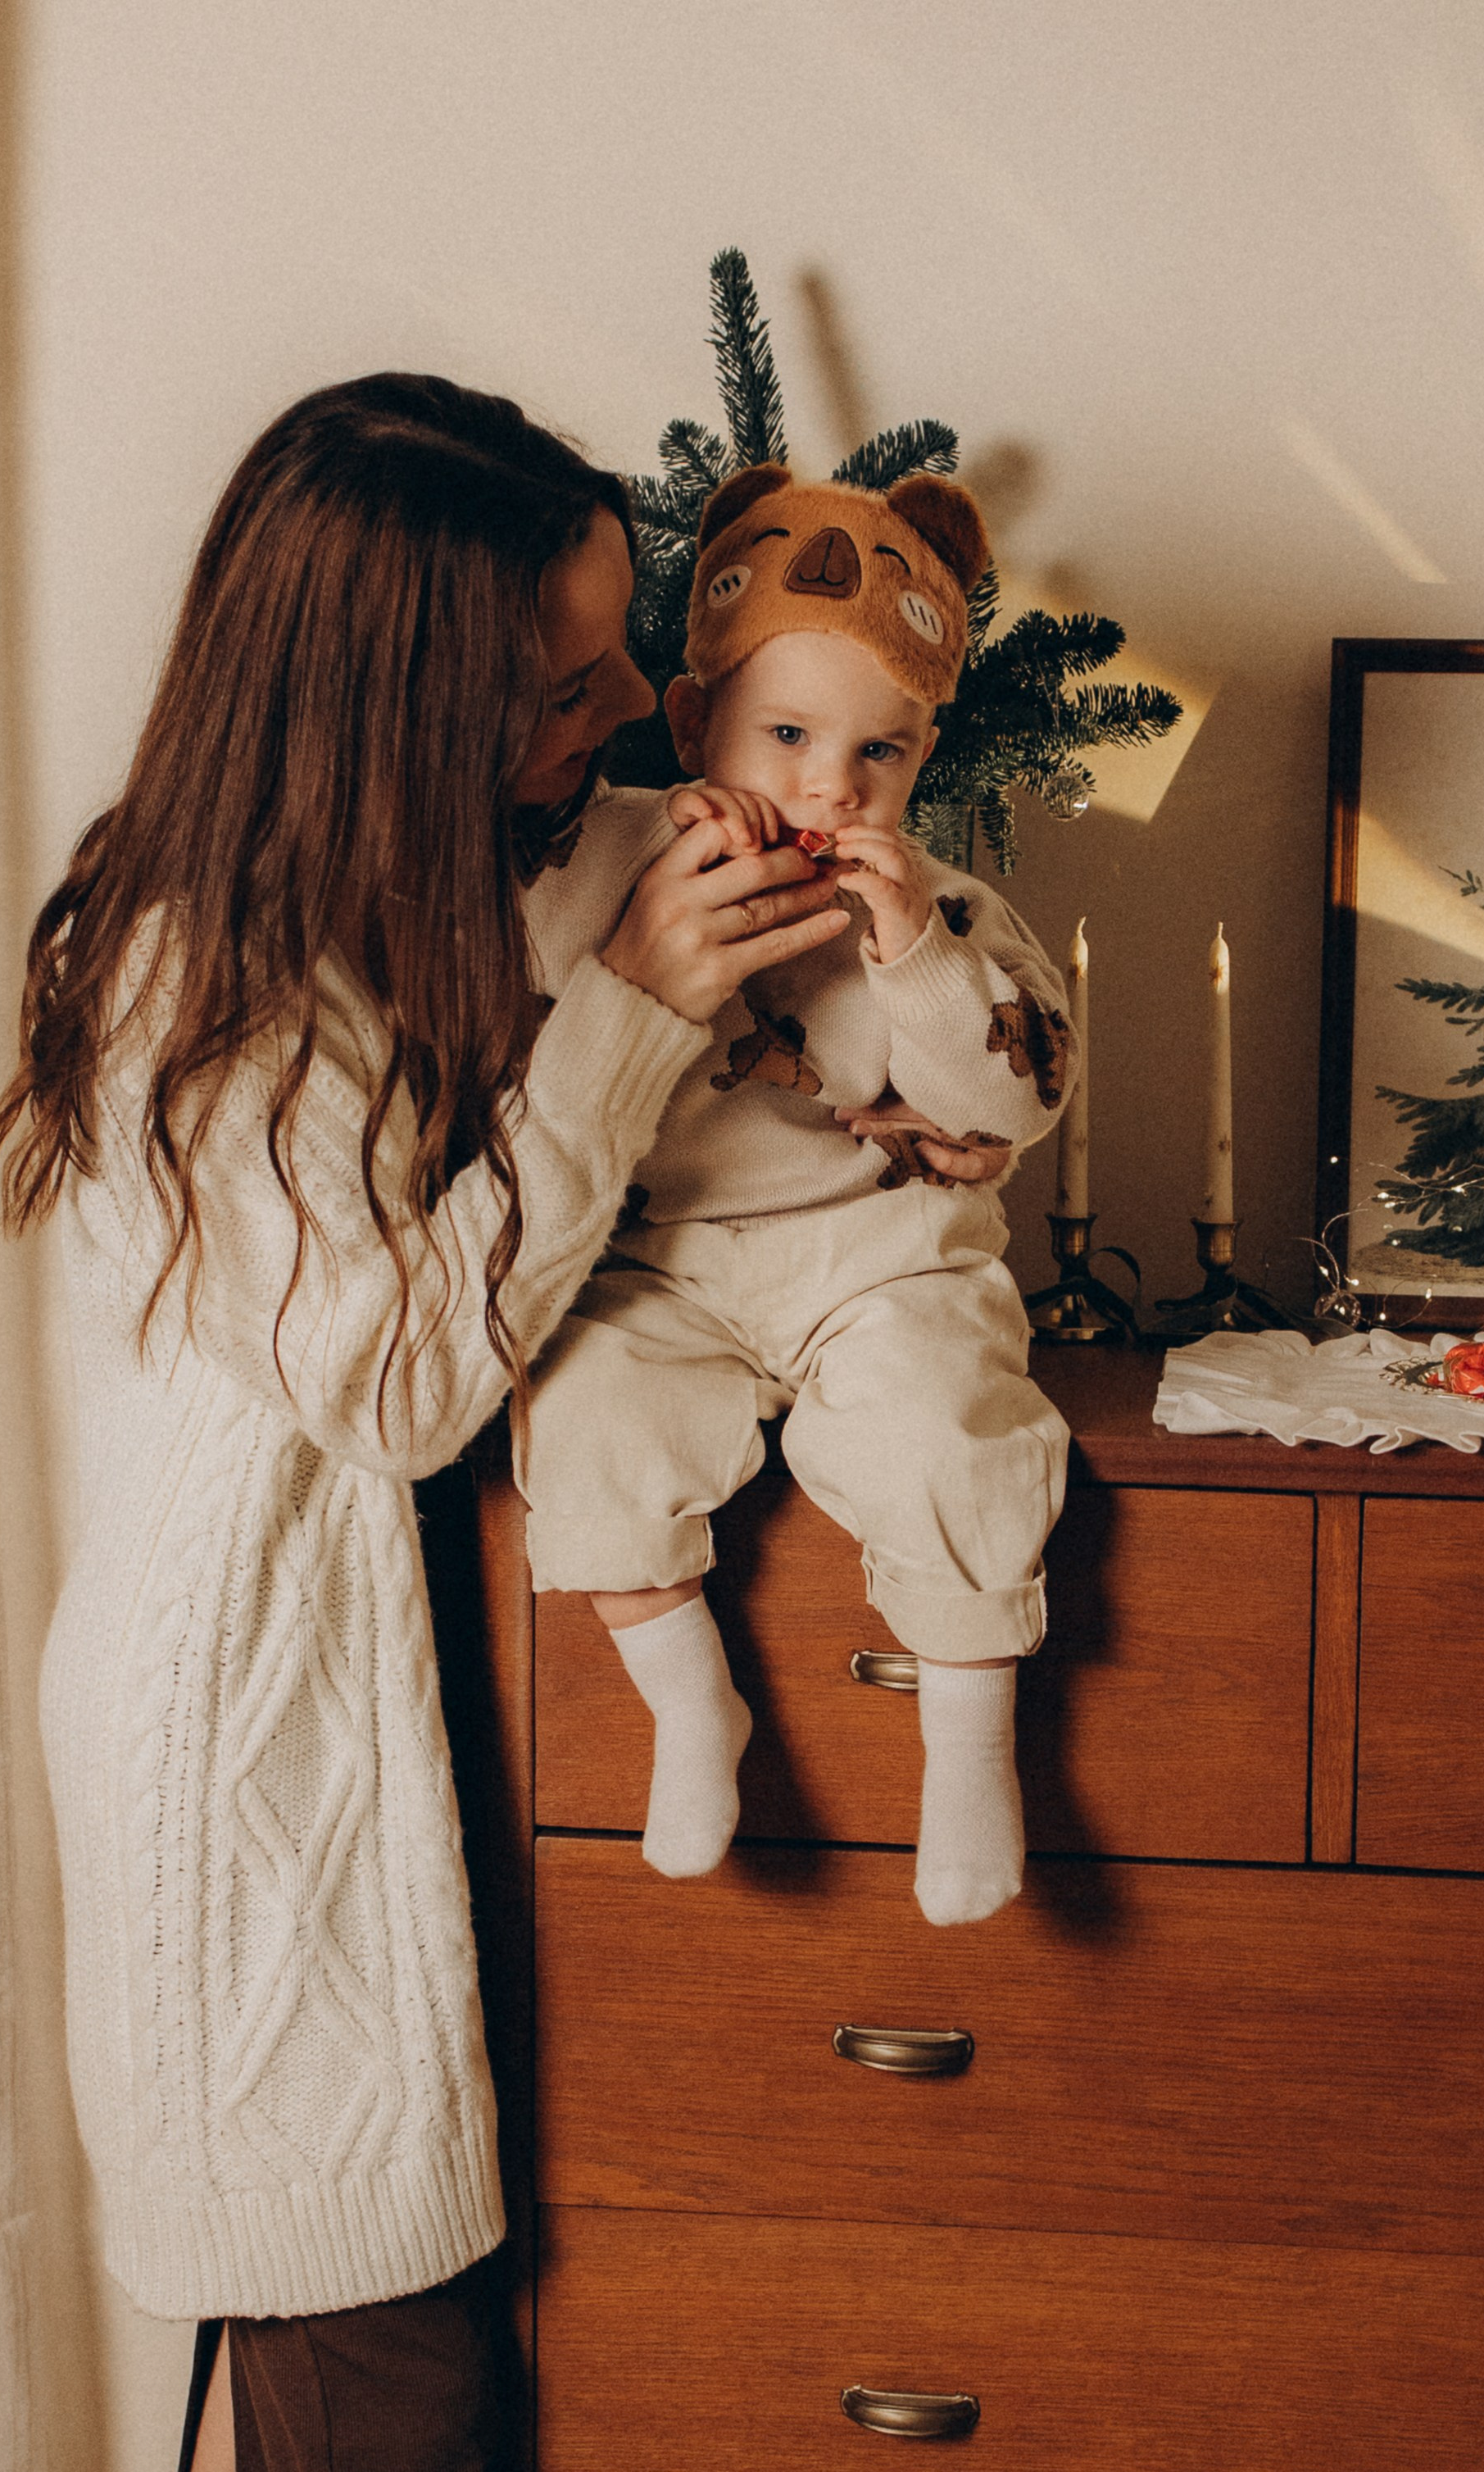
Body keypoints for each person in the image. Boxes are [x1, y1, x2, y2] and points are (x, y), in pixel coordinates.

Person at [0, 376, 1005, 2472]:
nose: (607, 718)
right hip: (260, 1767)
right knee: (387, 2405)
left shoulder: (480, 868)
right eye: (554, 682)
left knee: (314, 2351)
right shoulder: (189, 976)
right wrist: (643, 1015)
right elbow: (414, 1376)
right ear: (394, 689)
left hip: (395, 1712)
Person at [520, 461, 1077, 1926]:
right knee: (584, 1415)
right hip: (659, 1264)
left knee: (948, 1431)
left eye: (878, 755)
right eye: (786, 735)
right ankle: (691, 1710)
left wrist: (916, 964)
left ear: (922, 758)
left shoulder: (940, 910)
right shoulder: (595, 859)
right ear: (694, 721)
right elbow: (511, 1037)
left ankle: (968, 1757)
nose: (833, 784)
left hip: (878, 1256)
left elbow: (1014, 1095)